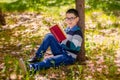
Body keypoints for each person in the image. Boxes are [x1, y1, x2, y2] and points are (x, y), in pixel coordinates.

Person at [19, 9, 83, 74]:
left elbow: (73, 47)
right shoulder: (67, 29)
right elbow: (62, 42)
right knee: (49, 36)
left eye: (72, 18)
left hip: (68, 57)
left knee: (50, 60)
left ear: (77, 19)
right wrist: (58, 35)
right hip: (61, 51)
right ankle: (37, 57)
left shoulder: (77, 32)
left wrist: (62, 39)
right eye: (67, 18)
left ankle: (31, 68)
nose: (69, 20)